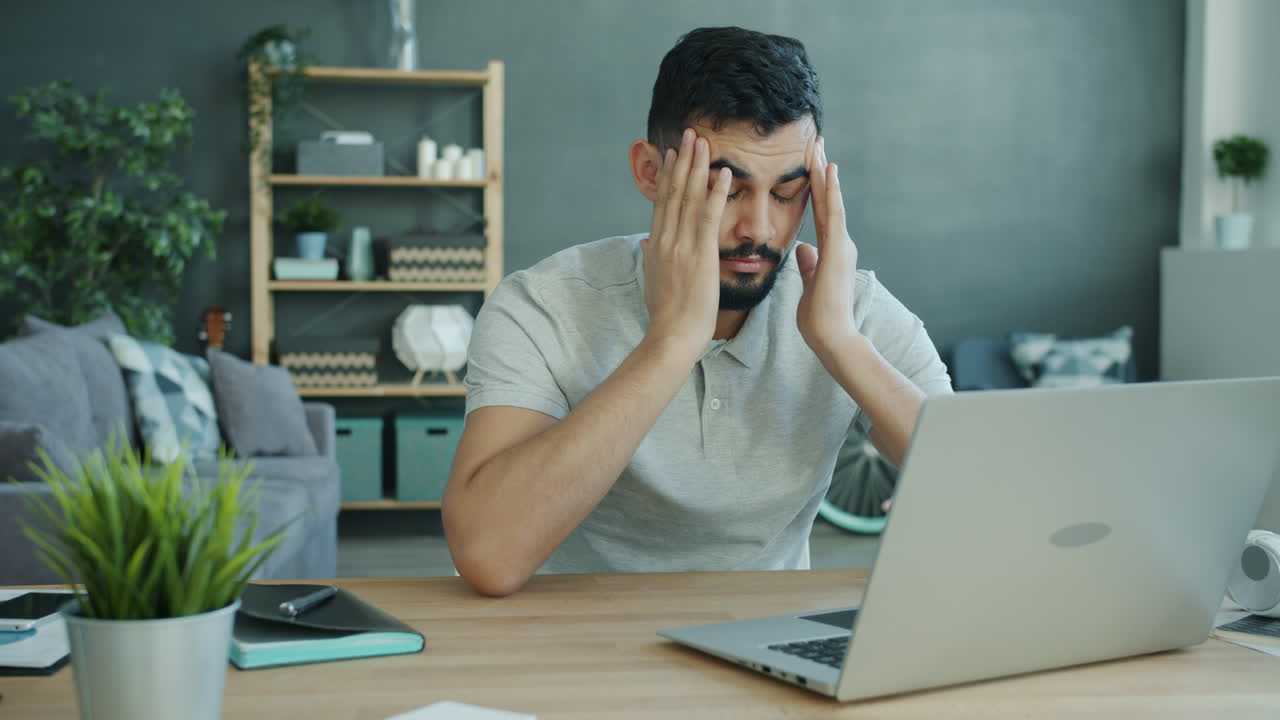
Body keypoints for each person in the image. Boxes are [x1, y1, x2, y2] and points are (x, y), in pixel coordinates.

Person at [442, 26, 953, 597]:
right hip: (575, 636)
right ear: (650, 172)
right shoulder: (543, 305)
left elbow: (981, 490)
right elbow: (488, 556)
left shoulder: (846, 306)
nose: (759, 229)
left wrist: (840, 341)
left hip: (769, 633)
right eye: (726, 190)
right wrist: (672, 342)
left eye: (787, 193)